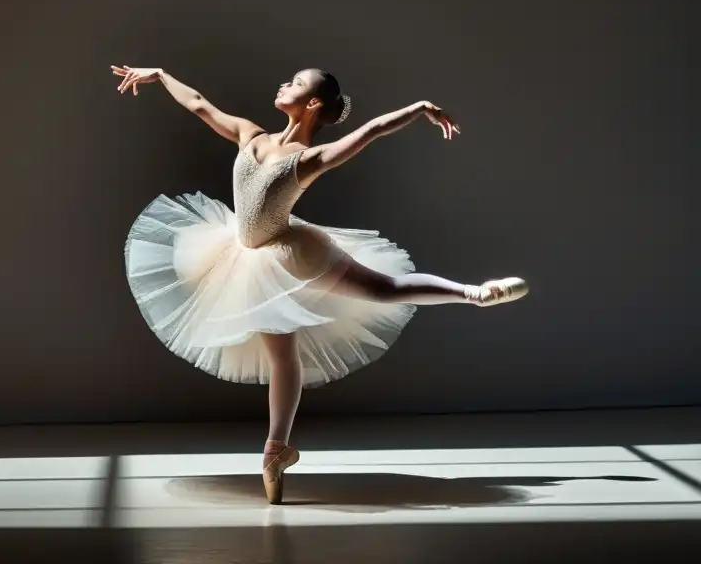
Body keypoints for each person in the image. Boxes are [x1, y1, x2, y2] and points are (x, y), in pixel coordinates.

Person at [112, 65, 528, 504]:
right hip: (246, 260)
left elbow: (370, 131)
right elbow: (198, 104)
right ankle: (276, 449)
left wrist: (419, 108)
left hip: (287, 255)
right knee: (284, 358)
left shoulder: (308, 159)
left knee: (382, 289)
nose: (282, 83)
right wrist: (160, 75)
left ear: (312, 104)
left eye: (294, 83)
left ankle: (476, 293)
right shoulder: (250, 135)